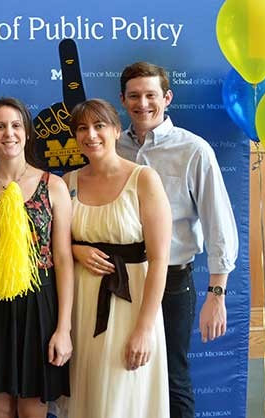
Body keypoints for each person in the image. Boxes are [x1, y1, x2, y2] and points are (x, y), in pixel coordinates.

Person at [117, 62, 238, 418]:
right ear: (123, 100)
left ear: (167, 97)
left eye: (151, 95)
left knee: (173, 376)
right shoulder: (111, 148)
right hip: (118, 277)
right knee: (123, 372)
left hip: (172, 280)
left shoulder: (194, 150)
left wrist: (217, 294)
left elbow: (219, 223)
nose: (143, 104)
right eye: (134, 96)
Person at [0, 97, 73, 418]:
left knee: (32, 410)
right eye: (0, 126)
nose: (8, 133)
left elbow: (63, 258)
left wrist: (63, 328)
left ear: (27, 132)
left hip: (39, 304)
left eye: (15, 125)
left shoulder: (53, 185)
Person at [61, 99, 170, 417]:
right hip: (81, 305)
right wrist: (74, 249)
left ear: (117, 130)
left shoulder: (144, 179)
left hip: (130, 305)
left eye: (99, 126)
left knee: (124, 396)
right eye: (82, 128)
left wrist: (144, 329)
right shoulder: (67, 182)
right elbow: (54, 244)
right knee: (89, 394)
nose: (91, 135)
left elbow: (160, 259)